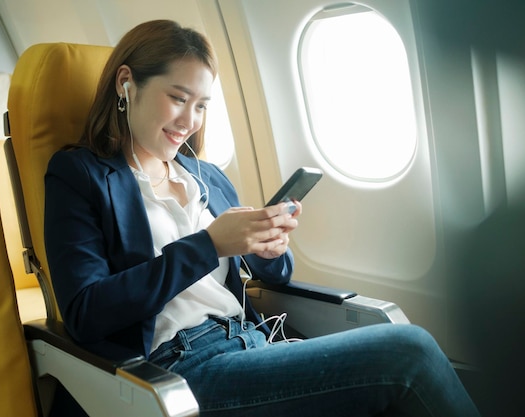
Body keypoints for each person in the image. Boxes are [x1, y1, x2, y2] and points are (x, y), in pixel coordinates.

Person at [44, 19, 480, 416]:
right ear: (126, 84)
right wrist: (210, 244)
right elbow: (85, 311)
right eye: (178, 98)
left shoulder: (205, 176)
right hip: (178, 370)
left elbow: (274, 276)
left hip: (250, 341)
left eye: (201, 106)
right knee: (408, 352)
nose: (190, 121)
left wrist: (269, 245)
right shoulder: (81, 175)